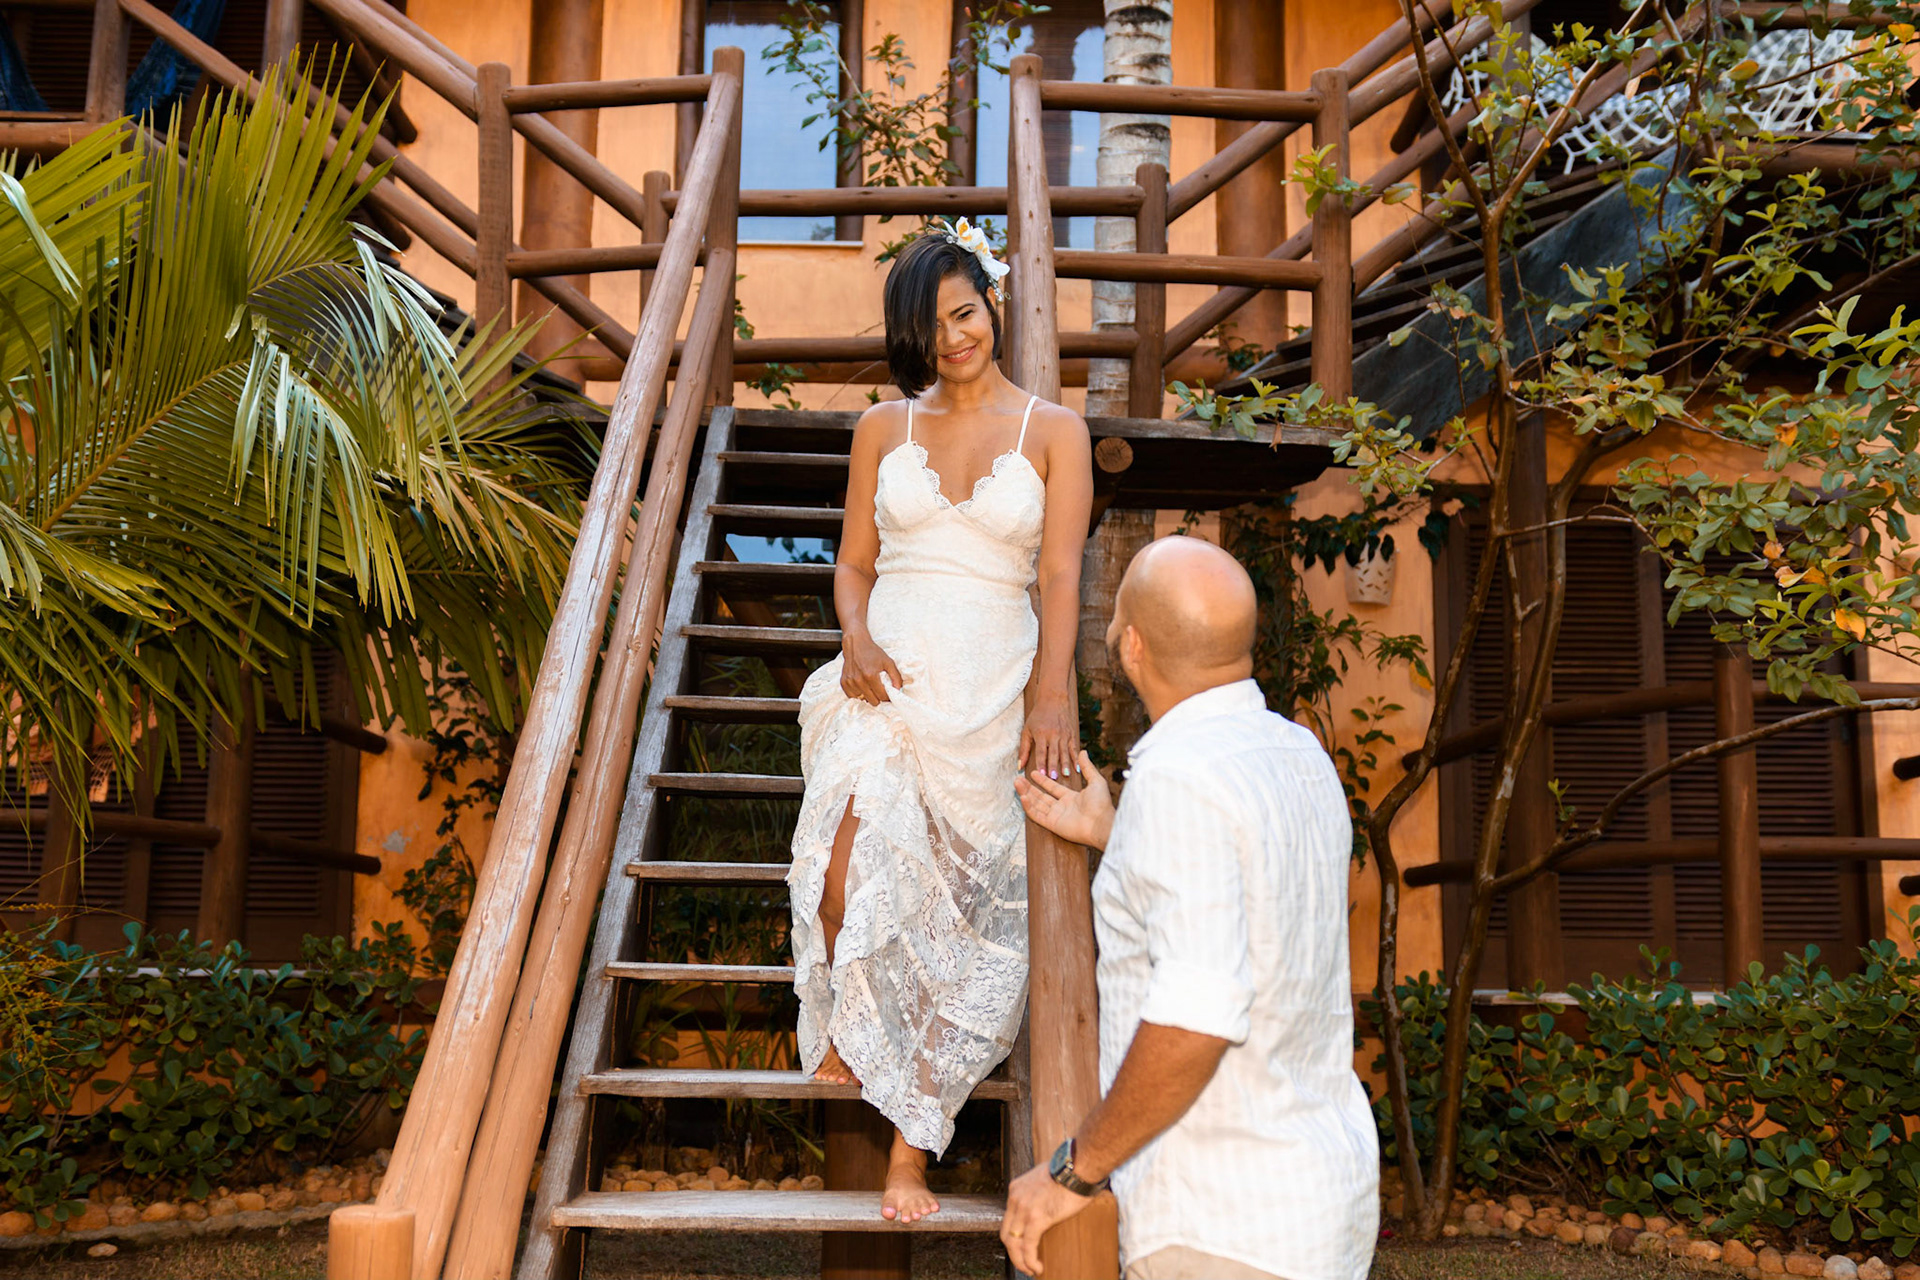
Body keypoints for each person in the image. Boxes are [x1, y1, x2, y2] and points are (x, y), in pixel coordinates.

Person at [788, 220, 1093, 1223]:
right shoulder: (885, 427)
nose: (954, 336)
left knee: (968, 934)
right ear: (909, 338)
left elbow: (1059, 574)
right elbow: (854, 561)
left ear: (990, 303)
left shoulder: (1055, 430)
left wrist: (1053, 691)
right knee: (844, 857)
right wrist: (854, 638)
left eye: (965, 311)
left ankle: (909, 1156)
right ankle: (842, 1018)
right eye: (932, 325)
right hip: (888, 678)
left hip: (992, 687)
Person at [1002, 536, 1379, 1280]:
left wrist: (1073, 1171)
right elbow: (1257, 896)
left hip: (1221, 1224)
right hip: (1318, 1205)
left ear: (1131, 644)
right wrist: (1115, 830)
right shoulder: (1299, 754)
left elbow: (1197, 1018)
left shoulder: (1178, 779)